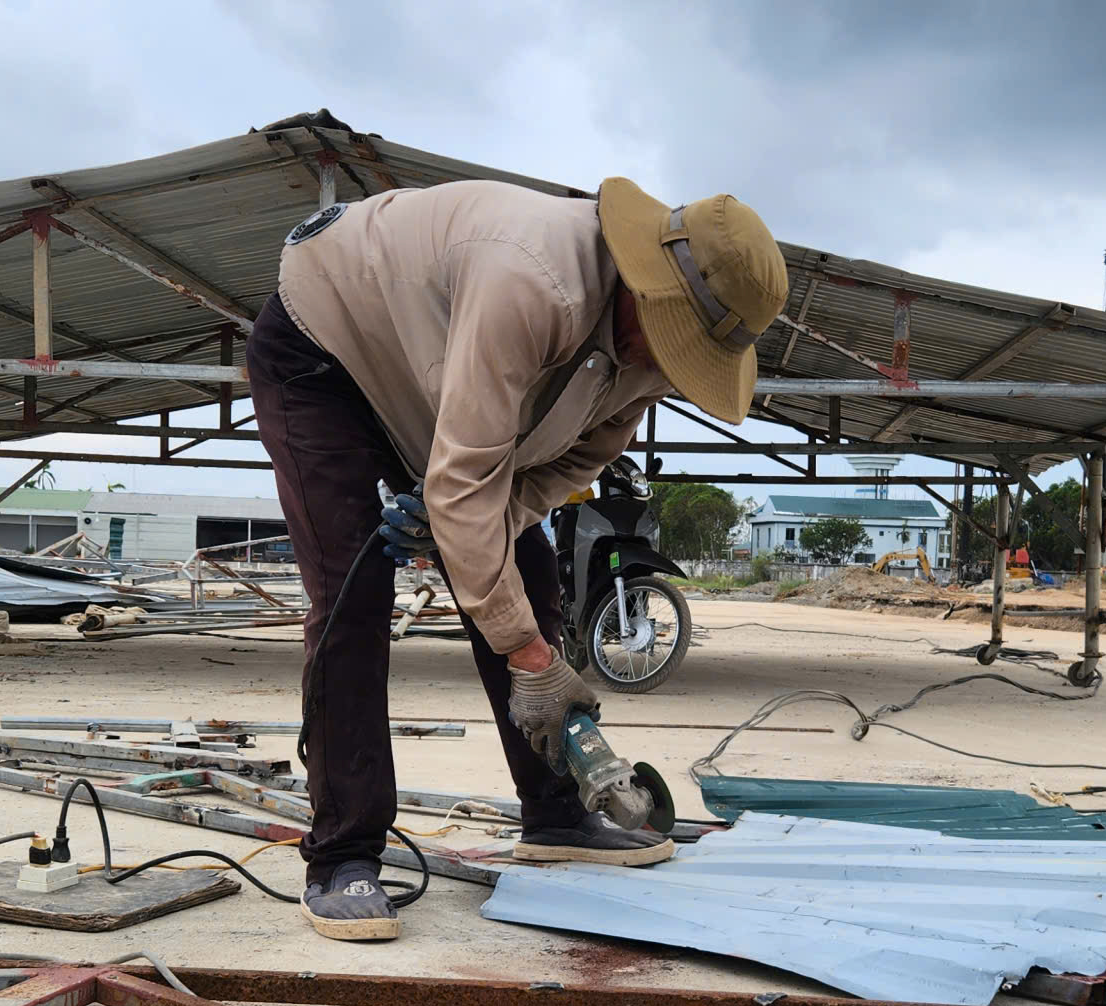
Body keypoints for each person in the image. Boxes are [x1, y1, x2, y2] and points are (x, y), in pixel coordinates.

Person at [250, 177, 788, 940]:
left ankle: (556, 813)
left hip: (432, 385)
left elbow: (561, 471)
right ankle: (342, 852)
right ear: (645, 288)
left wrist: (477, 539)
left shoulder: (648, 360)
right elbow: (466, 476)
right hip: (326, 346)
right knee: (353, 589)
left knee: (524, 574)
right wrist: (529, 656)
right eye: (675, 343)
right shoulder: (531, 281)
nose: (670, 366)